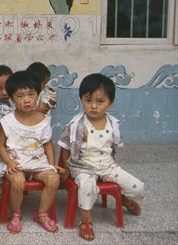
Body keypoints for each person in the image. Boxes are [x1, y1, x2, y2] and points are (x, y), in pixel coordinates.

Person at [58, 73, 144, 241]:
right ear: (81, 99)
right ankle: (86, 222)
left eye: (100, 101)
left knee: (137, 187)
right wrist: (66, 169)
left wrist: (111, 169)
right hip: (82, 167)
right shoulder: (76, 125)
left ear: (110, 102)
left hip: (107, 166)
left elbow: (113, 148)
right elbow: (64, 146)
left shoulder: (113, 124)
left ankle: (126, 200)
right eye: (88, 101)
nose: (94, 107)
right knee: (87, 187)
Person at [0, 71, 63, 234]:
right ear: (12, 99)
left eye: (31, 94)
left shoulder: (43, 120)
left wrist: (51, 164)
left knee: (53, 179)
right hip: (16, 162)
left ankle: (41, 213)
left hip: (38, 162)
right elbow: (0, 146)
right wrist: (9, 163)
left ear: (38, 95)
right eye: (20, 95)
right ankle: (16, 214)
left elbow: (48, 145)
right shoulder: (7, 121)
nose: (26, 99)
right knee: (18, 181)